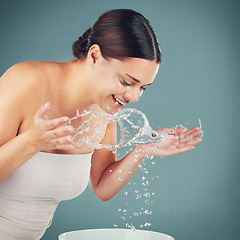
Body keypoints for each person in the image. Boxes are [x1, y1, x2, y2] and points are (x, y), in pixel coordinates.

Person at [0, 9, 202, 240]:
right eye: (127, 81)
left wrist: (142, 150)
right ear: (95, 56)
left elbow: (101, 186)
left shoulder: (105, 109)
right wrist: (30, 142)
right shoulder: (24, 81)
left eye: (142, 87)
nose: (134, 96)